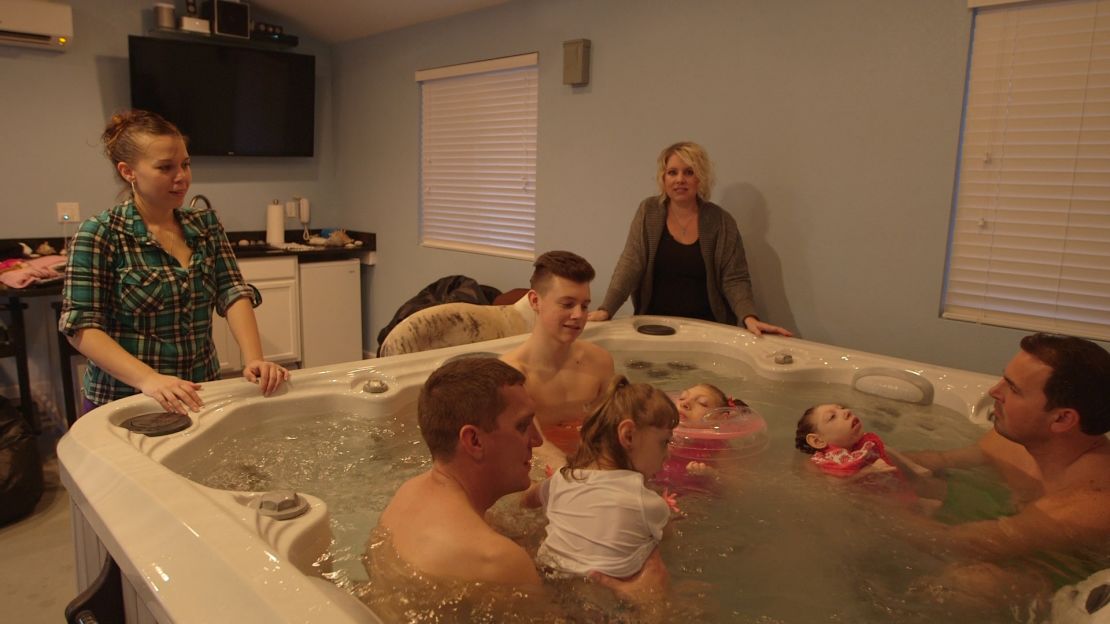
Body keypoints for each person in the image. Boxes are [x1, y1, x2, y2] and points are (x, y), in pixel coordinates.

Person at [365, 359, 667, 617]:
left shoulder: (408, 494)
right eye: (523, 426)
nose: (537, 441)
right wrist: (650, 605)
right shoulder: (499, 562)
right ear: (474, 441)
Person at [59, 110, 288, 415]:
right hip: (125, 401)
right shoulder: (100, 233)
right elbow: (81, 328)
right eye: (165, 167)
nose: (181, 177)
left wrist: (254, 358)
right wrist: (149, 379)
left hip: (199, 392)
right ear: (128, 172)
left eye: (185, 164)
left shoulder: (205, 225)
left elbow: (232, 291)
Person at [903, 333, 1110, 558]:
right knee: (919, 484)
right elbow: (939, 461)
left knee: (977, 581)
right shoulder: (1015, 441)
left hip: (1069, 567)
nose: (994, 391)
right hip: (1011, 522)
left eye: (1013, 388)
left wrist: (870, 505)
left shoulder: (1090, 503)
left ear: (1061, 419)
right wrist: (872, 457)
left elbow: (962, 544)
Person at [587, 141, 792, 337]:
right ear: (663, 178)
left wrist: (749, 317)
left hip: (708, 328)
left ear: (700, 178)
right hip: (654, 326)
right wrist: (607, 309)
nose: (680, 180)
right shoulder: (648, 212)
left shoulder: (721, 221)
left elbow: (734, 278)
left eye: (689, 172)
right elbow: (631, 264)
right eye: (672, 172)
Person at [523, 375, 679, 580]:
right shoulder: (649, 504)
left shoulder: (562, 480)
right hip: (607, 602)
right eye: (664, 442)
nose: (668, 453)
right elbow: (670, 537)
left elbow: (526, 500)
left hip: (549, 581)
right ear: (628, 435)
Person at [501, 251, 615, 467]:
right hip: (540, 469)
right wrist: (574, 478)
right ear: (535, 301)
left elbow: (610, 428)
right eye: (567, 304)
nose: (578, 315)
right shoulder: (512, 375)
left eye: (584, 305)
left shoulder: (600, 362)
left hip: (585, 464)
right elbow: (535, 446)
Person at [795, 403, 943, 507]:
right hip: (867, 497)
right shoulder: (827, 463)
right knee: (881, 501)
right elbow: (835, 484)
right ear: (817, 440)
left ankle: (917, 501)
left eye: (841, 408)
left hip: (886, 481)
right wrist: (869, 470)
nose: (846, 412)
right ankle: (917, 504)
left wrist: (914, 466)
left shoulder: (863, 441)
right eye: (832, 417)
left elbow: (885, 449)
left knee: (900, 486)